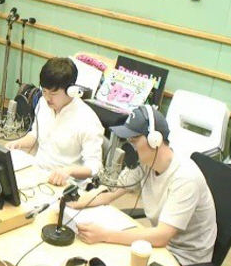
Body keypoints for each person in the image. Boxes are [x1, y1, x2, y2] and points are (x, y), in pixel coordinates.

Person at [69, 106, 217, 266]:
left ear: (155, 140)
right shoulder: (145, 163)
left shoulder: (185, 178)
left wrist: (105, 235)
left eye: (134, 141)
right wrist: (73, 202)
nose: (131, 148)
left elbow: (161, 236)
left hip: (183, 259)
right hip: (159, 247)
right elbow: (109, 193)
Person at [6, 57, 104, 186]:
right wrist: (17, 143)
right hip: (38, 172)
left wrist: (69, 170)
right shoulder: (43, 103)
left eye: (53, 93)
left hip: (65, 182)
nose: (47, 98)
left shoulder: (87, 120)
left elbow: (95, 168)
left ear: (71, 90)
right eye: (44, 91)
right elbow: (35, 135)